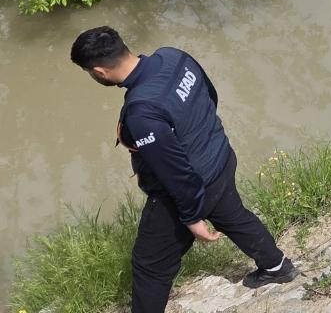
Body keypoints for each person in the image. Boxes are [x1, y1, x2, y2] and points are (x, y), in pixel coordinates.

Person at [70, 27, 298, 312]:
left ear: (99, 72)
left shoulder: (143, 112)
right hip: (220, 156)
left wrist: (191, 217)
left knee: (150, 264)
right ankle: (277, 267)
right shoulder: (174, 57)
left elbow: (174, 171)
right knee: (233, 215)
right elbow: (209, 95)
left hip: (190, 185)